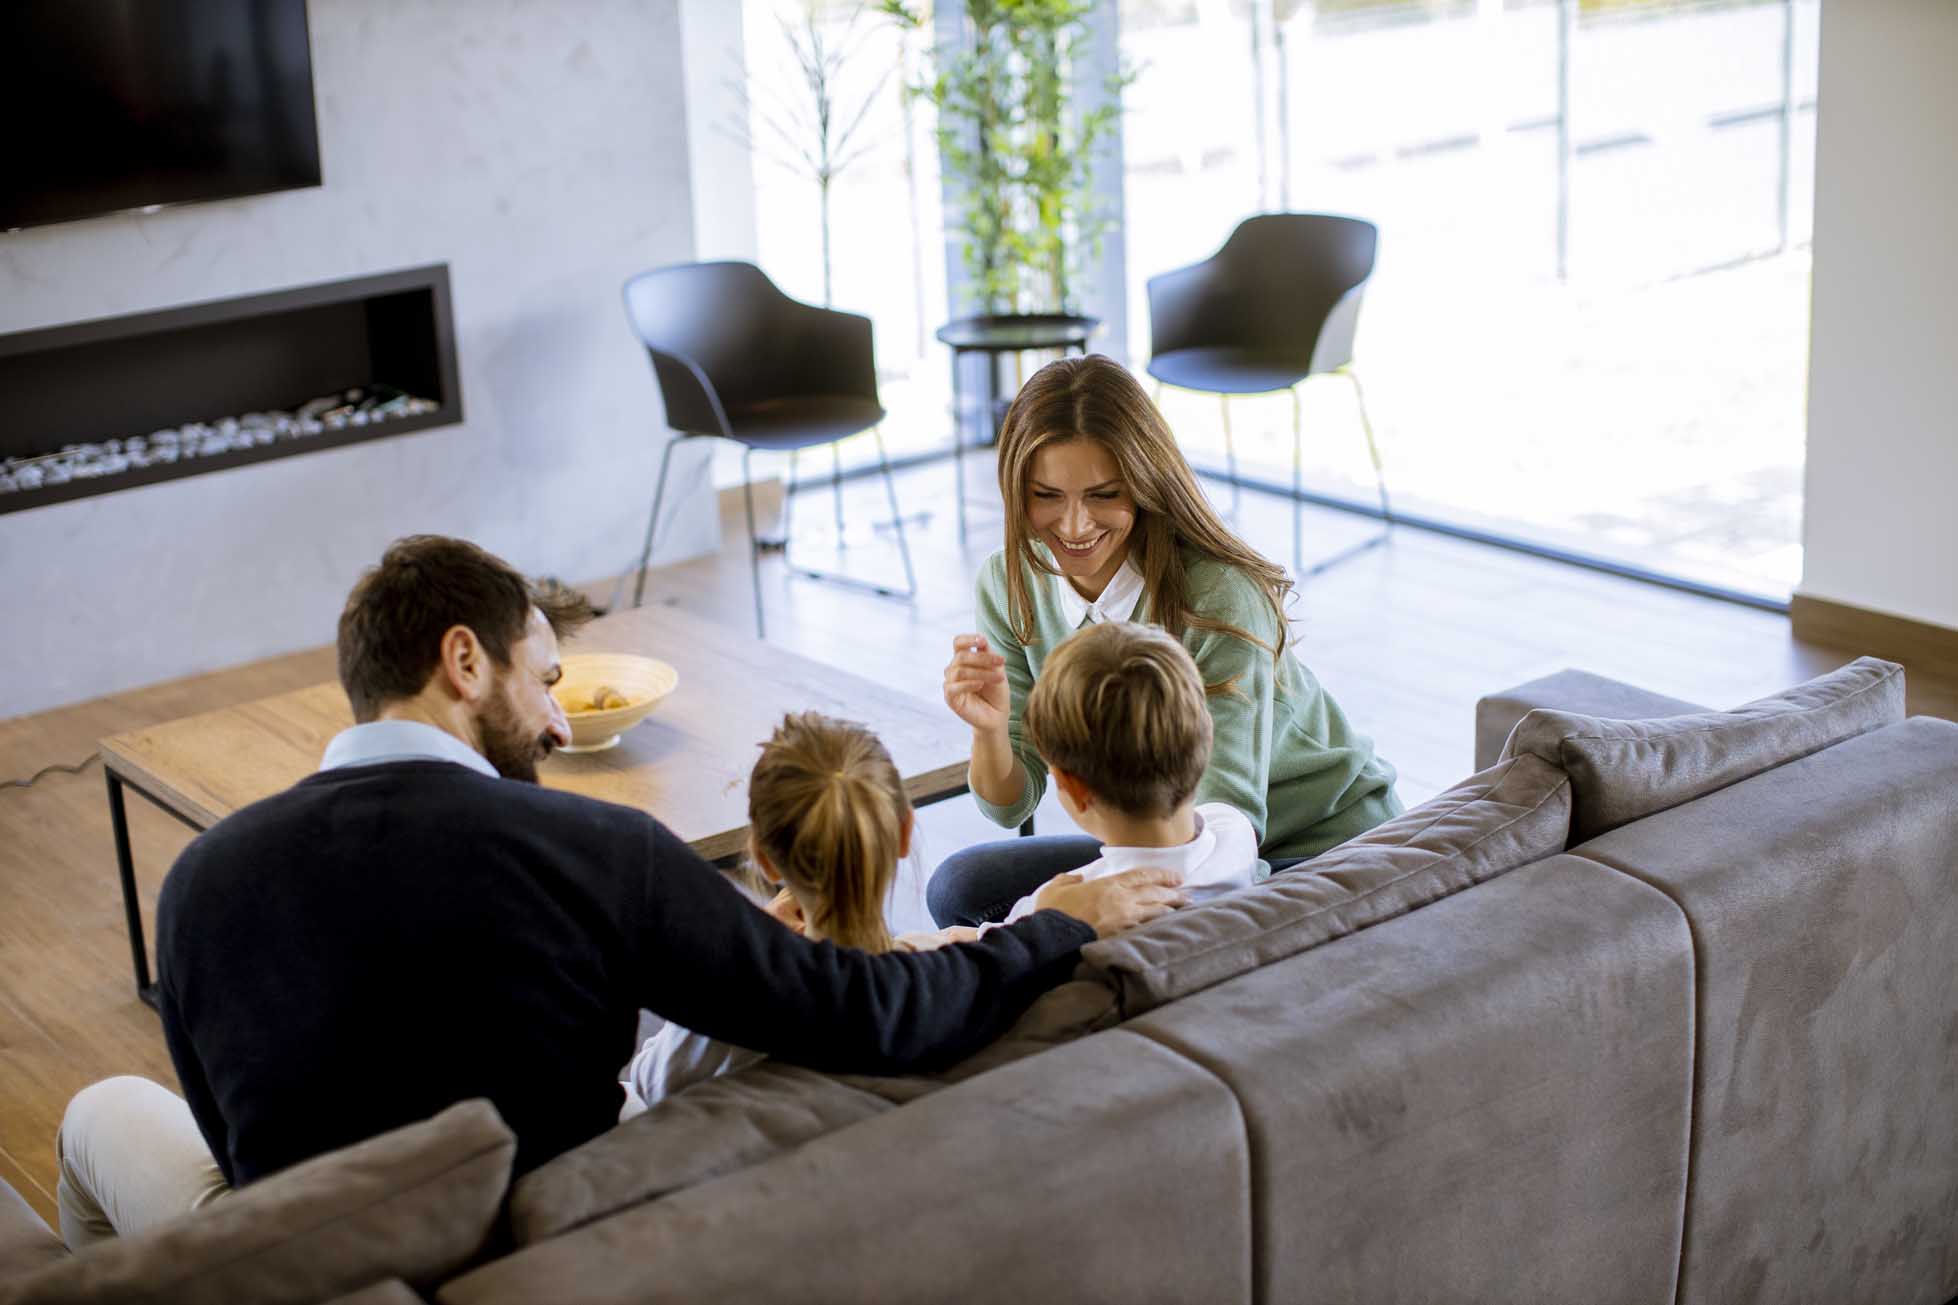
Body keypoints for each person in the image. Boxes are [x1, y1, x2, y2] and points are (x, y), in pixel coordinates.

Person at [54, 534, 1185, 1249]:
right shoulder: (599, 852)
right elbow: (868, 1012)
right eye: (545, 680)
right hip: (522, 1249)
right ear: (462, 662)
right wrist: (1051, 930)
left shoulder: (198, 883)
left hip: (299, 1266)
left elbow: (230, 1134)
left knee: (98, 1113)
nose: (555, 721)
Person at [931, 354, 1401, 928]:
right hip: (1167, 838)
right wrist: (988, 728)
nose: (1075, 526)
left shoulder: (1218, 596)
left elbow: (1229, 832)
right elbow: (1010, 805)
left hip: (1310, 841)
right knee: (962, 888)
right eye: (1046, 495)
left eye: (1104, 494)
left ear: (1146, 482)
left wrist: (1022, 933)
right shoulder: (1010, 584)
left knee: (1096, 926)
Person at [626, 712, 979, 1112]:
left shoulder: (740, 1007)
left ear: (763, 859)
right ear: (903, 832)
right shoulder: (957, 965)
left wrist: (749, 956)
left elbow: (648, 1082)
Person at [982, 620, 1263, 929]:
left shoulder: (1051, 914)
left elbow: (993, 955)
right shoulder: (1234, 831)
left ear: (1072, 787)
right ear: (1207, 742)